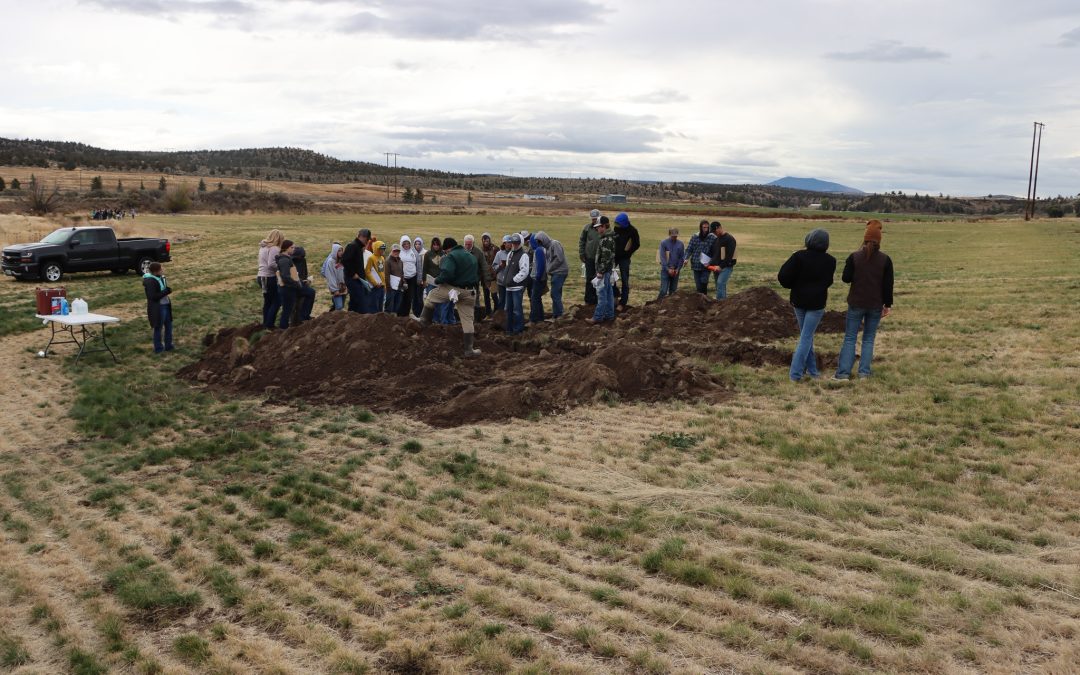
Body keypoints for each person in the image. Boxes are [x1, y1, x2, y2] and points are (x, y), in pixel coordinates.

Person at [834, 220, 894, 380]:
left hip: (856, 303)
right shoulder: (885, 260)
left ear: (865, 239)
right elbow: (888, 286)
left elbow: (846, 278)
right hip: (875, 304)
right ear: (879, 240)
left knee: (850, 337)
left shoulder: (854, 257)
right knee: (868, 339)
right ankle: (864, 373)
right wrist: (887, 305)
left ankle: (843, 374)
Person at [777, 229, 835, 381]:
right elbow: (828, 281)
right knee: (806, 337)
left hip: (799, 301)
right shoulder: (831, 261)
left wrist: (793, 285)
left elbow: (783, 276)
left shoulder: (798, 256)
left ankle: (809, 372)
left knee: (805, 336)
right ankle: (797, 374)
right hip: (817, 304)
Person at [413, 237, 483, 357]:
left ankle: (424, 320)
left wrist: (438, 280)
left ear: (447, 249)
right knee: (467, 320)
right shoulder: (471, 256)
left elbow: (448, 273)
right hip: (470, 292)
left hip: (454, 290)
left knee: (432, 295)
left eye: (445, 251)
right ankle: (469, 350)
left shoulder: (450, 256)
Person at [276, 240, 316, 329]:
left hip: (291, 286)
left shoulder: (286, 258)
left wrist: (301, 282)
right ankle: (283, 329)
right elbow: (285, 277)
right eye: (292, 247)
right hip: (288, 288)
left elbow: (292, 274)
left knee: (310, 292)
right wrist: (297, 284)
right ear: (286, 248)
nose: (294, 249)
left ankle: (303, 317)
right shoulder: (284, 260)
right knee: (287, 310)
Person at [586, 216, 617, 325]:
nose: (597, 229)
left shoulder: (606, 240)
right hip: (607, 271)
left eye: (598, 227)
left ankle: (598, 317)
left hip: (603, 272)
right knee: (609, 294)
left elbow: (606, 257)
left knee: (602, 295)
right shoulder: (607, 238)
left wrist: (600, 271)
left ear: (604, 226)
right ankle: (609, 315)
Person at [534, 232, 568, 320]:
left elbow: (559, 259)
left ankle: (560, 314)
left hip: (560, 272)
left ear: (543, 239)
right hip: (556, 272)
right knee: (556, 293)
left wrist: (549, 268)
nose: (539, 244)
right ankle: (556, 314)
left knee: (555, 293)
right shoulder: (547, 247)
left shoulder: (554, 244)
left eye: (540, 241)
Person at [143, 261, 174, 353]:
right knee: (158, 328)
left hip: (166, 305)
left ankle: (169, 346)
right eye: (161, 269)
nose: (162, 270)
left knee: (169, 326)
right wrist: (166, 291)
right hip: (159, 308)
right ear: (156, 271)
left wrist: (166, 291)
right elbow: (153, 296)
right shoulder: (150, 281)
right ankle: (159, 348)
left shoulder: (160, 277)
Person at [612, 212, 640, 311]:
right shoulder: (616, 228)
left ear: (624, 223)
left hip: (625, 258)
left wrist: (628, 252)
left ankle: (623, 302)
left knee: (625, 279)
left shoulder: (633, 231)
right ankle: (614, 297)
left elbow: (636, 244)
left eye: (619, 224)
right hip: (614, 257)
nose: (617, 226)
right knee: (612, 278)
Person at [503, 233, 530, 335]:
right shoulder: (510, 254)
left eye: (516, 243)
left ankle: (518, 330)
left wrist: (514, 280)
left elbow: (524, 271)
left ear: (520, 243)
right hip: (508, 287)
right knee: (508, 309)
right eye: (513, 243)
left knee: (517, 309)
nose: (514, 245)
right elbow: (507, 267)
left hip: (517, 287)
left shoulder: (523, 255)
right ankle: (509, 329)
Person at [257, 229, 284, 328]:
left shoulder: (263, 247)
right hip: (269, 277)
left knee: (268, 301)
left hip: (261, 277)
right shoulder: (274, 248)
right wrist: (281, 267)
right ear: (279, 239)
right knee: (277, 301)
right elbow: (271, 264)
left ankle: (265, 324)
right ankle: (270, 324)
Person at [464, 235, 493, 322]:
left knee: (475, 298)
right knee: (464, 299)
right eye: (466, 244)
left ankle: (476, 319)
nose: (468, 246)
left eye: (469, 244)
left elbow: (484, 266)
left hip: (474, 280)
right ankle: (465, 318)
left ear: (473, 243)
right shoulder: (461, 251)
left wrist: (487, 279)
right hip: (463, 280)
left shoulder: (478, 252)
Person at [342, 228, 371, 313]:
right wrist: (353, 273)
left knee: (354, 302)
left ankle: (350, 318)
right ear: (361, 236)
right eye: (367, 239)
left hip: (358, 279)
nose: (367, 241)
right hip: (352, 279)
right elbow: (345, 260)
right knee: (361, 302)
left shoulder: (358, 247)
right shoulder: (352, 246)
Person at [423, 237, 450, 324]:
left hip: (441, 281)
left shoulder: (443, 254)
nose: (436, 246)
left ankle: (440, 319)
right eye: (434, 245)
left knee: (441, 301)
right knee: (431, 301)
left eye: (437, 245)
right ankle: (433, 319)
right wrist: (424, 280)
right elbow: (425, 268)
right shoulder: (428, 254)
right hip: (431, 280)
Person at [707, 221, 737, 299]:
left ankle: (721, 303)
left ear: (719, 228)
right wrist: (709, 263)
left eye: (715, 231)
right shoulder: (717, 239)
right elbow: (715, 254)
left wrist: (720, 266)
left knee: (720, 283)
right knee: (719, 286)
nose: (714, 234)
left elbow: (729, 256)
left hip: (726, 267)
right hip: (716, 267)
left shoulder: (729, 239)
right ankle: (721, 303)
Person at [578, 209, 601, 304]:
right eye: (593, 219)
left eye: (596, 219)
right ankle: (588, 300)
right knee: (589, 279)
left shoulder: (603, 228)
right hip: (589, 258)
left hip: (600, 259)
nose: (594, 221)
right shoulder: (587, 228)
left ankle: (598, 300)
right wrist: (582, 253)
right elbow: (582, 241)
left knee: (599, 279)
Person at [686, 220, 714, 295]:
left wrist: (710, 262)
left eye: (707, 228)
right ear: (700, 228)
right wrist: (686, 258)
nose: (706, 229)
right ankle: (700, 300)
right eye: (704, 227)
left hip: (707, 265)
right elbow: (689, 249)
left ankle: (704, 299)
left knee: (704, 282)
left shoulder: (712, 238)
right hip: (696, 264)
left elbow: (715, 252)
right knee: (698, 285)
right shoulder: (695, 237)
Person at [657, 228, 686, 299]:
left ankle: (670, 308)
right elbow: (662, 258)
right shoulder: (663, 243)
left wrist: (678, 269)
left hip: (676, 270)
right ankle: (658, 304)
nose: (674, 237)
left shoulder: (680, 244)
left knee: (673, 291)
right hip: (665, 270)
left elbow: (681, 258)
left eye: (676, 236)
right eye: (673, 236)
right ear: (669, 234)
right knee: (663, 290)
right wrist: (667, 269)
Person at [289, 246, 314, 327]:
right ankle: (291, 324)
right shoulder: (290, 261)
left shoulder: (303, 260)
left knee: (309, 294)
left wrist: (306, 280)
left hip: (301, 284)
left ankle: (303, 318)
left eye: (302, 257)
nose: (300, 258)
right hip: (292, 286)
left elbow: (304, 272)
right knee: (292, 306)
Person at [321, 243, 347, 311]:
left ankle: (334, 317)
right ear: (335, 251)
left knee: (341, 306)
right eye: (339, 251)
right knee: (339, 306)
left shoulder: (342, 261)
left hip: (343, 286)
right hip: (336, 287)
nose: (341, 252)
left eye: (341, 250)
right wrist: (335, 289)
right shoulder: (330, 262)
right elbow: (330, 276)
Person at [528, 234, 547, 323]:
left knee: (535, 299)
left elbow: (541, 265)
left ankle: (534, 319)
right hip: (540, 278)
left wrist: (538, 277)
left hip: (538, 279)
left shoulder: (538, 250)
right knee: (537, 298)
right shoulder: (540, 249)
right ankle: (540, 318)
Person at [365, 241, 388, 313]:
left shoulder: (382, 258)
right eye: (381, 249)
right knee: (374, 306)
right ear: (376, 249)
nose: (382, 251)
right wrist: (374, 283)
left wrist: (385, 285)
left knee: (380, 306)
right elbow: (367, 272)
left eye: (384, 249)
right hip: (374, 287)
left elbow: (382, 272)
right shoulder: (371, 258)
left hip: (382, 286)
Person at [492, 234, 512, 312]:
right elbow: (494, 267)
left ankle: (509, 317)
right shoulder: (499, 254)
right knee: (501, 300)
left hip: (511, 281)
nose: (510, 244)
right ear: (504, 243)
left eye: (511, 242)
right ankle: (500, 317)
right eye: (508, 242)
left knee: (510, 301)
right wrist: (500, 266)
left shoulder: (514, 253)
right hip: (501, 282)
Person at [480, 233, 498, 316]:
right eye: (484, 241)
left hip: (493, 277)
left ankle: (497, 312)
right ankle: (488, 313)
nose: (485, 242)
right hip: (484, 277)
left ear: (489, 240)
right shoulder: (480, 250)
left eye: (487, 240)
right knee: (486, 296)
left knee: (494, 295)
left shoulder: (495, 249)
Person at [384, 243, 405, 313]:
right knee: (389, 306)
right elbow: (386, 275)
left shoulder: (400, 261)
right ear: (391, 251)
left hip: (399, 287)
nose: (396, 252)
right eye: (394, 251)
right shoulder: (388, 261)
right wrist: (388, 287)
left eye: (398, 251)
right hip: (391, 288)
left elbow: (402, 273)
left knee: (397, 306)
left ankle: (394, 320)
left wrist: (404, 282)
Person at [411, 237, 426, 316]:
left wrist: (423, 279)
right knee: (414, 297)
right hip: (413, 278)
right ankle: (415, 312)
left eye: (419, 244)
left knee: (420, 296)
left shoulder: (424, 253)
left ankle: (421, 313)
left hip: (421, 278)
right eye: (416, 244)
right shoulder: (412, 253)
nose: (417, 246)